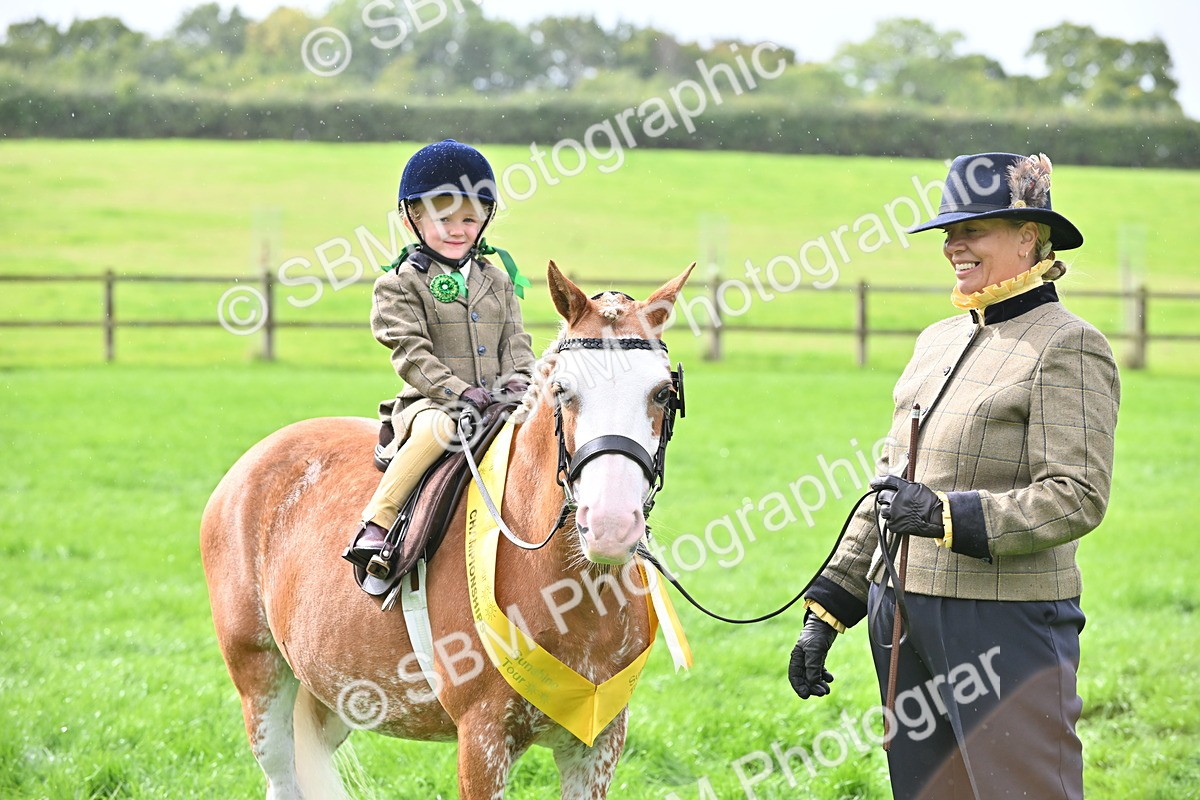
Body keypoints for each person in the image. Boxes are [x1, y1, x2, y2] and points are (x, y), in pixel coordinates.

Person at [788, 152, 1120, 799]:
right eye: (949, 231)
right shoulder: (936, 339)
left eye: (974, 229)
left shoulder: (1068, 343)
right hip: (899, 613)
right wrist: (828, 609)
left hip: (1001, 623)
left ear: (1029, 236)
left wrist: (948, 517)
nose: (953, 245)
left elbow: (1076, 496)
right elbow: (891, 483)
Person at [344, 139, 535, 575]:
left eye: (469, 219)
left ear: (484, 221)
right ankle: (378, 520)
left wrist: (522, 381)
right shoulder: (399, 285)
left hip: (499, 401)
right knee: (445, 428)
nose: (457, 229)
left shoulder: (499, 282)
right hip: (431, 405)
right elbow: (412, 354)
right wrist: (461, 391)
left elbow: (516, 342)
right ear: (414, 220)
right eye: (443, 219)